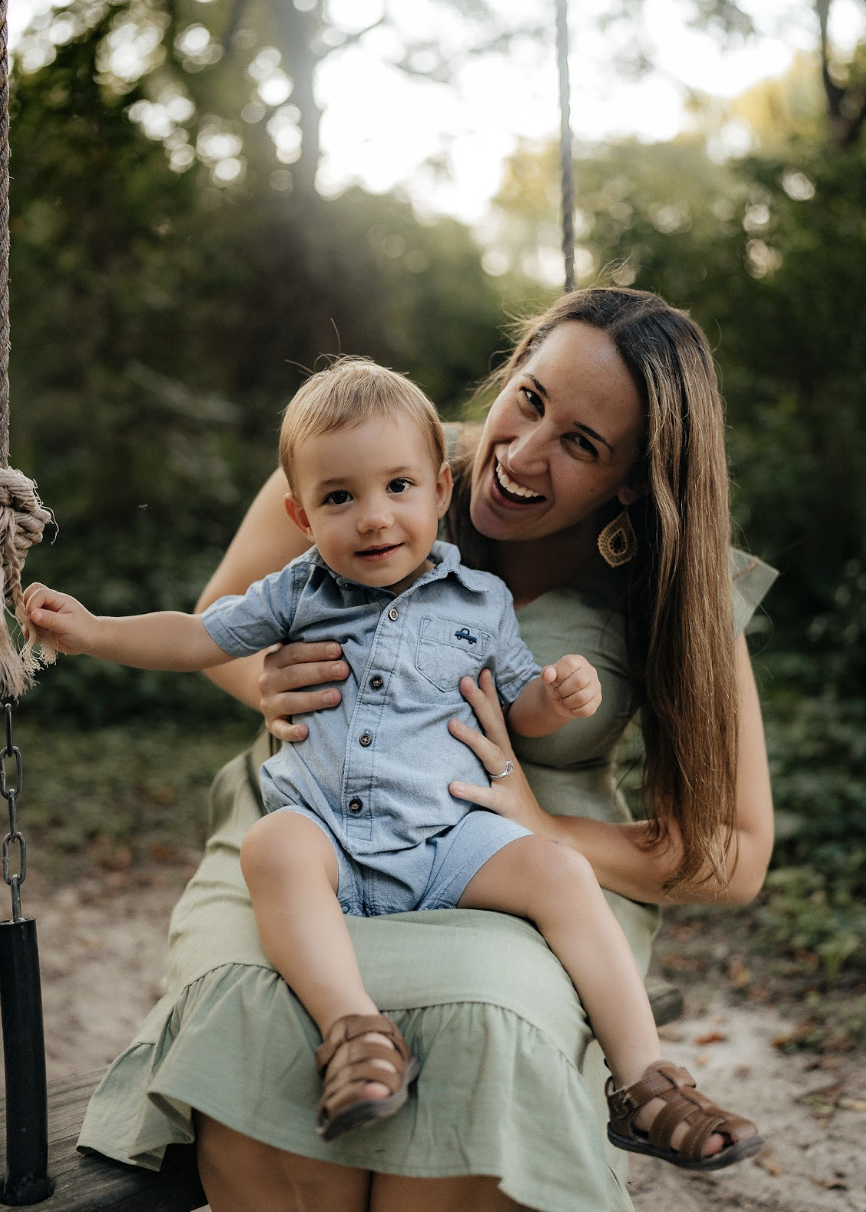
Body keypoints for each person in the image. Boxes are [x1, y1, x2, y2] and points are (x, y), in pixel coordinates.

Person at [69, 287, 776, 1212]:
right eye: (529, 399)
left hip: (504, 859)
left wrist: (538, 821)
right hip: (313, 817)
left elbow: (734, 854)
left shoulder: (677, 576)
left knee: (491, 1026)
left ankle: (644, 1085)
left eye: (582, 445)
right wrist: (269, 680)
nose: (519, 456)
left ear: (635, 480)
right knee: (251, 1003)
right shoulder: (366, 452)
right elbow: (217, 628)